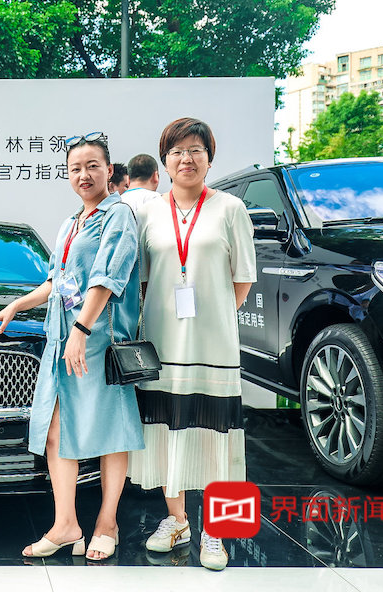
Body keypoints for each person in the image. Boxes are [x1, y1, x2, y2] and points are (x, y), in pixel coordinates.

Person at [0, 134, 143, 561]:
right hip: (62, 341)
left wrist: (81, 331)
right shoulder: (71, 222)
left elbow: (107, 279)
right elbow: (57, 281)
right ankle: (66, 525)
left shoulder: (118, 216)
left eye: (92, 166)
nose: (84, 175)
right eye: (75, 168)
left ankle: (107, 524)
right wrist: (16, 305)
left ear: (110, 170)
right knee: (55, 431)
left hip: (98, 342)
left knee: (110, 432)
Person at [126, 118, 256, 571]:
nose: (187, 159)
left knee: (216, 434)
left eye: (196, 150)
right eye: (177, 151)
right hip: (163, 344)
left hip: (213, 344)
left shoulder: (230, 208)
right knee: (168, 432)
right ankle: (177, 520)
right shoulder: (148, 214)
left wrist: (212, 317)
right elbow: (143, 282)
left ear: (209, 158)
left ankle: (215, 531)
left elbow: (242, 280)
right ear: (164, 161)